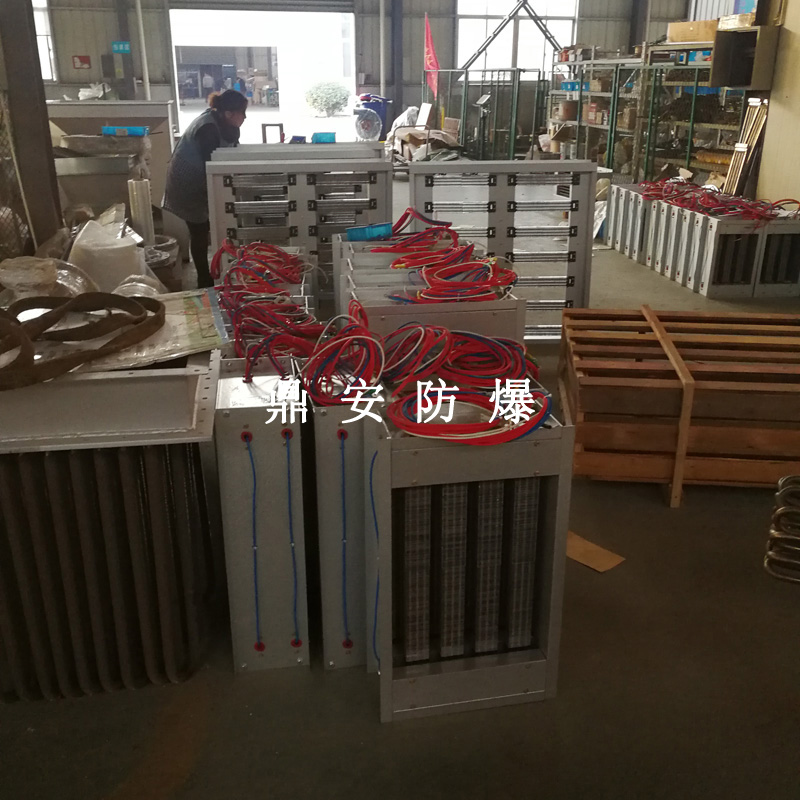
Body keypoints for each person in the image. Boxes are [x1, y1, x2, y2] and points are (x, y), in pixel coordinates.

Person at [163, 90, 247, 288]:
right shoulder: (207, 128)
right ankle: (204, 279)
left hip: (202, 181)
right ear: (229, 113)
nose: (244, 117)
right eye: (242, 113)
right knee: (199, 230)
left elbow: (230, 153)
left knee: (209, 225)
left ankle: (220, 272)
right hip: (188, 183)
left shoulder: (225, 124)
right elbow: (212, 166)